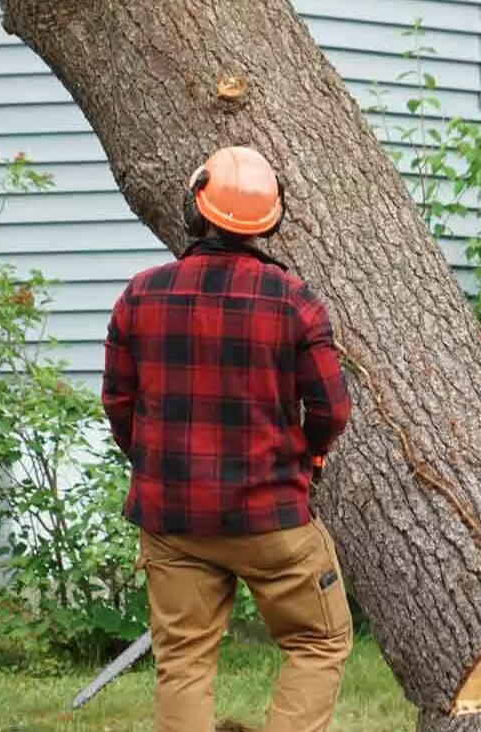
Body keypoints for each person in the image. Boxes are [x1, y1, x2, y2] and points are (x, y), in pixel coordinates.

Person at [100, 146, 355, 732]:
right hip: (271, 516)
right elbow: (331, 408)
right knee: (320, 641)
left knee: (183, 661)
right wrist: (309, 455)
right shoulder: (294, 301)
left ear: (197, 210)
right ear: (272, 220)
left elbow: (118, 401)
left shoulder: (140, 294)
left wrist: (155, 467)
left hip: (172, 519)